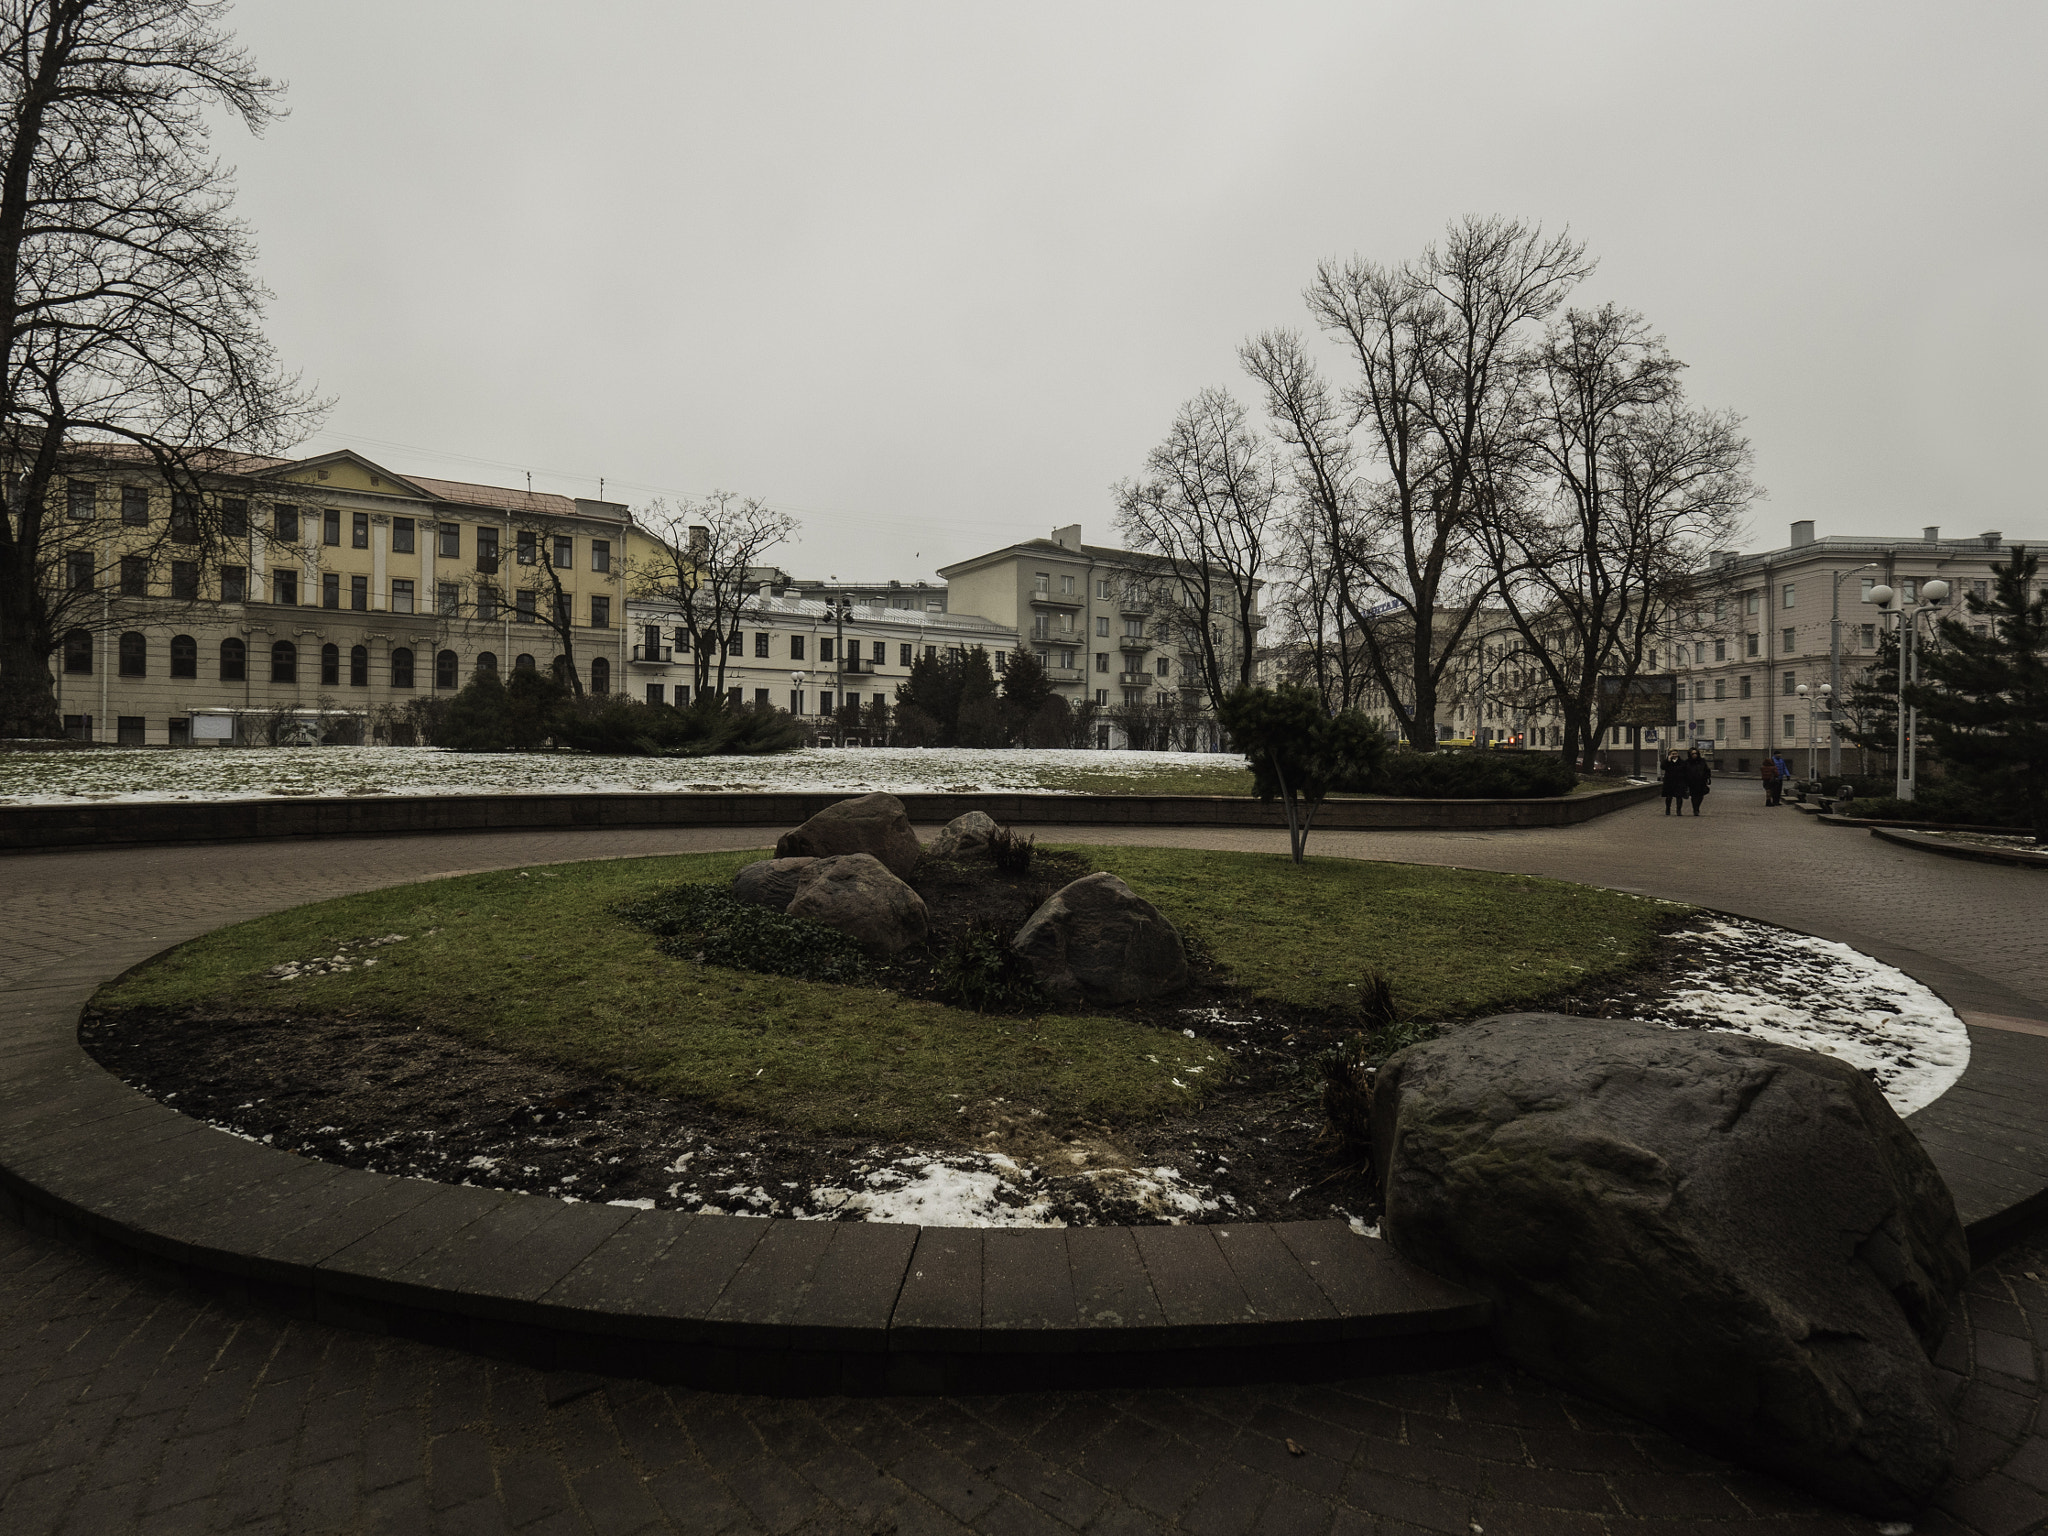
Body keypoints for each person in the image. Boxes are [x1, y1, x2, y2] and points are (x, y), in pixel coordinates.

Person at [1686, 747, 1712, 815]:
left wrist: (1708, 777)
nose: (1694, 755)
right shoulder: (1687, 762)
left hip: (1701, 781)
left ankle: (1697, 807)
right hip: (1691, 782)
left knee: (1700, 796)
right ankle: (1695, 809)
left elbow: (1707, 769)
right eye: (1693, 754)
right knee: (1694, 796)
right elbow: (1684, 772)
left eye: (1696, 753)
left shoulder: (1702, 761)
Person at [1660, 751, 1687, 815]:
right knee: (1669, 797)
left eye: (1675, 754)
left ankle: (1678, 810)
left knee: (1679, 797)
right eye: (1673, 754)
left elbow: (1685, 770)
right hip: (1669, 782)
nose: (1674, 755)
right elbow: (1663, 767)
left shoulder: (1682, 762)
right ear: (1670, 755)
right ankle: (1668, 809)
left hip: (1679, 781)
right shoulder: (1667, 762)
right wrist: (1668, 760)